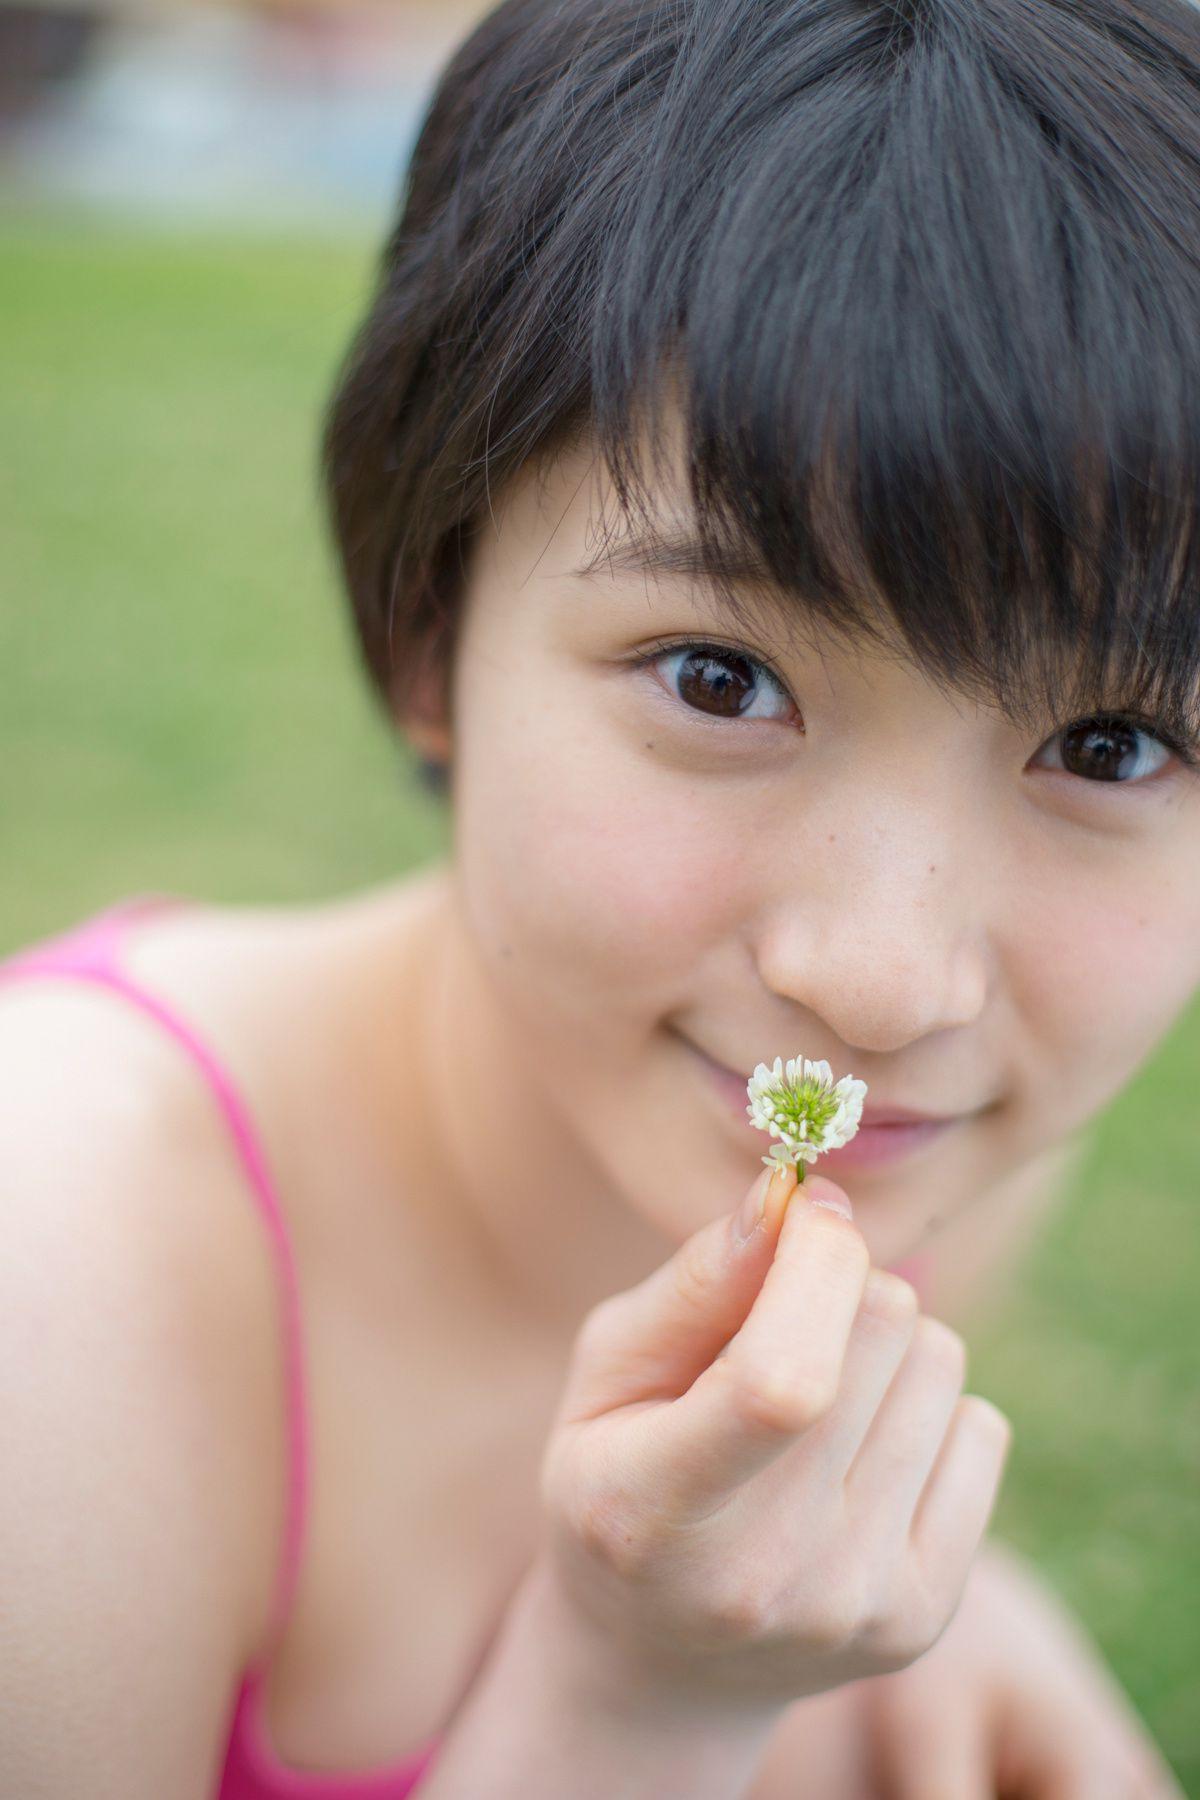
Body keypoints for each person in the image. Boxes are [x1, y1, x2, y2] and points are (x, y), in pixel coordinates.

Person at [2, 0, 1195, 1793]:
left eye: (1109, 748)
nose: (881, 986)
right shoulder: (58, 1292)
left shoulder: (932, 1158)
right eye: (720, 680)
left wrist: (946, 1594)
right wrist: (632, 1705)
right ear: (427, 634)